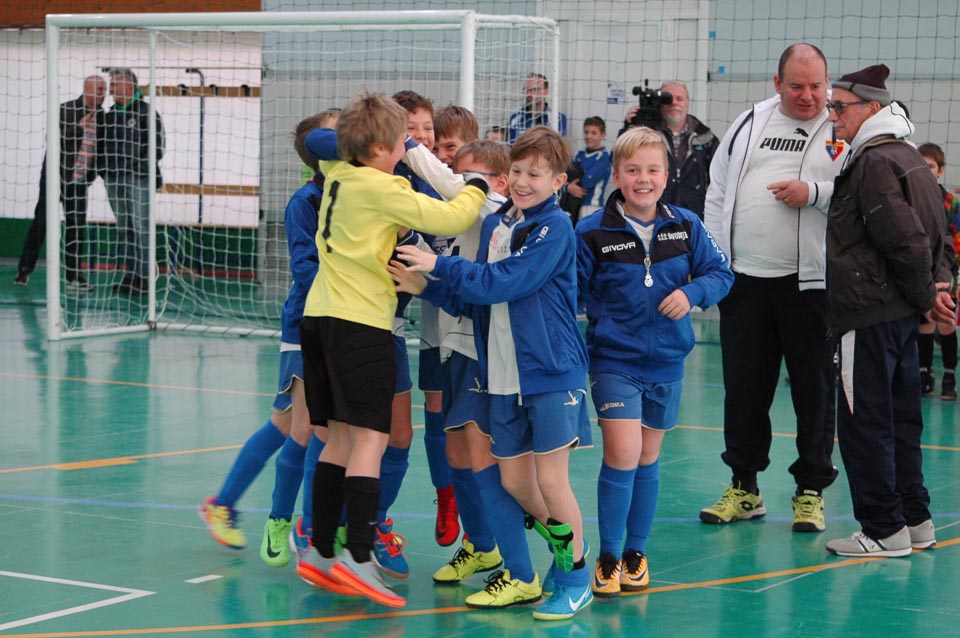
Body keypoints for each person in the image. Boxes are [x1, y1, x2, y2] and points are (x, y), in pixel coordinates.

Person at [293, 92, 488, 608]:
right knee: (369, 443)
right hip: (361, 326)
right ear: (381, 147)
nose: (409, 148)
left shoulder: (337, 170)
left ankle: (321, 550)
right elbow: (453, 217)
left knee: (337, 441)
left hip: (319, 320)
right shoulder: (385, 189)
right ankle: (358, 556)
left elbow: (321, 140)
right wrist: (477, 185)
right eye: (403, 141)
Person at [394, 126, 594, 621]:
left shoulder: (555, 228)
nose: (523, 182)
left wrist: (439, 264)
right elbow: (475, 300)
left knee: (551, 480)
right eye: (518, 171)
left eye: (535, 174)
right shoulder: (498, 225)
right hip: (502, 375)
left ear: (558, 181)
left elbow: (505, 282)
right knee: (516, 482)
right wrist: (425, 287)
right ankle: (567, 551)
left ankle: (574, 577)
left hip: (550, 372)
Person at [576, 126, 733, 597]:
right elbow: (571, 293)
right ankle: (608, 555)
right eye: (632, 170)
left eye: (652, 169)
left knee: (647, 456)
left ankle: (636, 553)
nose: (643, 179)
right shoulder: (592, 231)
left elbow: (721, 272)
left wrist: (692, 293)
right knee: (622, 453)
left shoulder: (686, 225)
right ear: (616, 175)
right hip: (613, 361)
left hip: (666, 361)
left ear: (666, 175)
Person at [701, 43, 848, 532]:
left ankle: (811, 491)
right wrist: (716, 261)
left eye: (816, 86)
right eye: (797, 86)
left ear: (828, 83)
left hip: (812, 287)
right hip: (744, 282)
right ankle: (744, 488)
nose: (808, 96)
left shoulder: (843, 126)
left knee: (814, 392)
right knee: (744, 391)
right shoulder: (750, 122)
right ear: (777, 83)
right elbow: (718, 190)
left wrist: (815, 193)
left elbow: (860, 193)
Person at [197, 110, 340, 565]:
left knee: (286, 424)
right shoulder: (306, 200)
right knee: (306, 428)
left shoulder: (354, 191)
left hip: (337, 321)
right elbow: (304, 267)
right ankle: (296, 524)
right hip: (309, 324)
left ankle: (224, 503)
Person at [823, 64, 953, 557]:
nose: (832, 115)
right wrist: (936, 288)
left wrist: (927, 296)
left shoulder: (874, 162)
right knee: (901, 421)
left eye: (839, 106)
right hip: (897, 316)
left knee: (866, 424)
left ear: (871, 108)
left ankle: (882, 529)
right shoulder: (908, 156)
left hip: (868, 314)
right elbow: (937, 234)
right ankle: (915, 520)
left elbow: (908, 241)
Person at [389, 138, 512, 588]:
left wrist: (405, 142)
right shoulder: (455, 219)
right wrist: (405, 237)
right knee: (456, 451)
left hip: (481, 350)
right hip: (448, 345)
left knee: (486, 457)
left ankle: (529, 559)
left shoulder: (492, 209)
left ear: (499, 183)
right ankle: (481, 545)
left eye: (468, 178)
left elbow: (451, 187)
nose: (459, 184)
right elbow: (437, 261)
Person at [391, 90, 461, 550]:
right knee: (431, 411)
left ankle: (471, 511)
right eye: (410, 129)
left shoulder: (447, 182)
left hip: (464, 314)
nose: (421, 137)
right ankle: (445, 496)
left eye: (427, 129)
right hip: (425, 319)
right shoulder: (388, 181)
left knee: (472, 422)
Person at [14, 75, 106, 291]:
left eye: (105, 89)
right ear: (87, 90)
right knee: (41, 223)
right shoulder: (66, 109)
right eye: (100, 89)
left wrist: (91, 176)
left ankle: (74, 277)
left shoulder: (103, 117)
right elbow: (54, 139)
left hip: (79, 181)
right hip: (55, 178)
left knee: (76, 228)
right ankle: (24, 269)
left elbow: (100, 148)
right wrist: (79, 128)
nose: (104, 94)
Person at [101, 67, 165, 296]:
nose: (111, 88)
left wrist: (136, 169)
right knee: (124, 228)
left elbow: (157, 148)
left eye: (115, 83)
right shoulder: (109, 115)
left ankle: (144, 277)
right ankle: (130, 275)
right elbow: (101, 146)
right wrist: (105, 170)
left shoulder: (146, 113)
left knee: (140, 227)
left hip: (138, 178)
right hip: (113, 177)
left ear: (129, 85)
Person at [621, 81, 718, 217]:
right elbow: (619, 162)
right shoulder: (644, 132)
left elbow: (720, 180)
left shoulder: (705, 137)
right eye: (668, 99)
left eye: (680, 98)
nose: (674, 103)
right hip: (650, 216)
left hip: (692, 218)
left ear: (687, 103)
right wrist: (630, 128)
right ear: (659, 104)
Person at [917, 142, 960, 400]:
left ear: (940, 170)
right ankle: (924, 374)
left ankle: (949, 376)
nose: (926, 171)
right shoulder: (911, 197)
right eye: (921, 166)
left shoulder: (950, 202)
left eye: (931, 166)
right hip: (922, 273)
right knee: (925, 321)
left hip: (948, 273)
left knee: (946, 322)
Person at [565, 116, 611, 220]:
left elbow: (587, 182)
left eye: (594, 133)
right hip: (572, 204)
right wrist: (568, 187)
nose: (589, 136)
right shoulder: (579, 154)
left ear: (603, 135)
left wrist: (574, 176)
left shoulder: (603, 158)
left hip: (591, 206)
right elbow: (564, 175)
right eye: (586, 132)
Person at [506, 73, 567, 144]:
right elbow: (512, 148)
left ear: (546, 91)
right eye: (526, 90)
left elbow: (558, 148)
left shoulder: (557, 119)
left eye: (534, 89)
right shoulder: (515, 120)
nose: (528, 94)